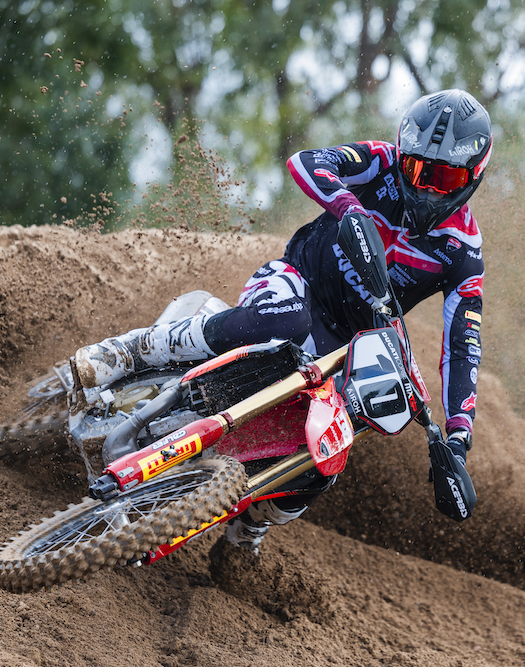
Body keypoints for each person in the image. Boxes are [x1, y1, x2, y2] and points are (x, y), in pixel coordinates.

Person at [74, 89, 492, 552]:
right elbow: (306, 161)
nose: (426, 187)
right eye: (417, 170)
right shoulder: (380, 162)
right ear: (402, 154)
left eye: (444, 177)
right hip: (296, 283)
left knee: (334, 439)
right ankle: (131, 351)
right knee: (285, 321)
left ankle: (252, 526)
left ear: (472, 177)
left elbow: (463, 346)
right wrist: (349, 207)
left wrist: (458, 437)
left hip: (348, 345)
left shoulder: (463, 252)